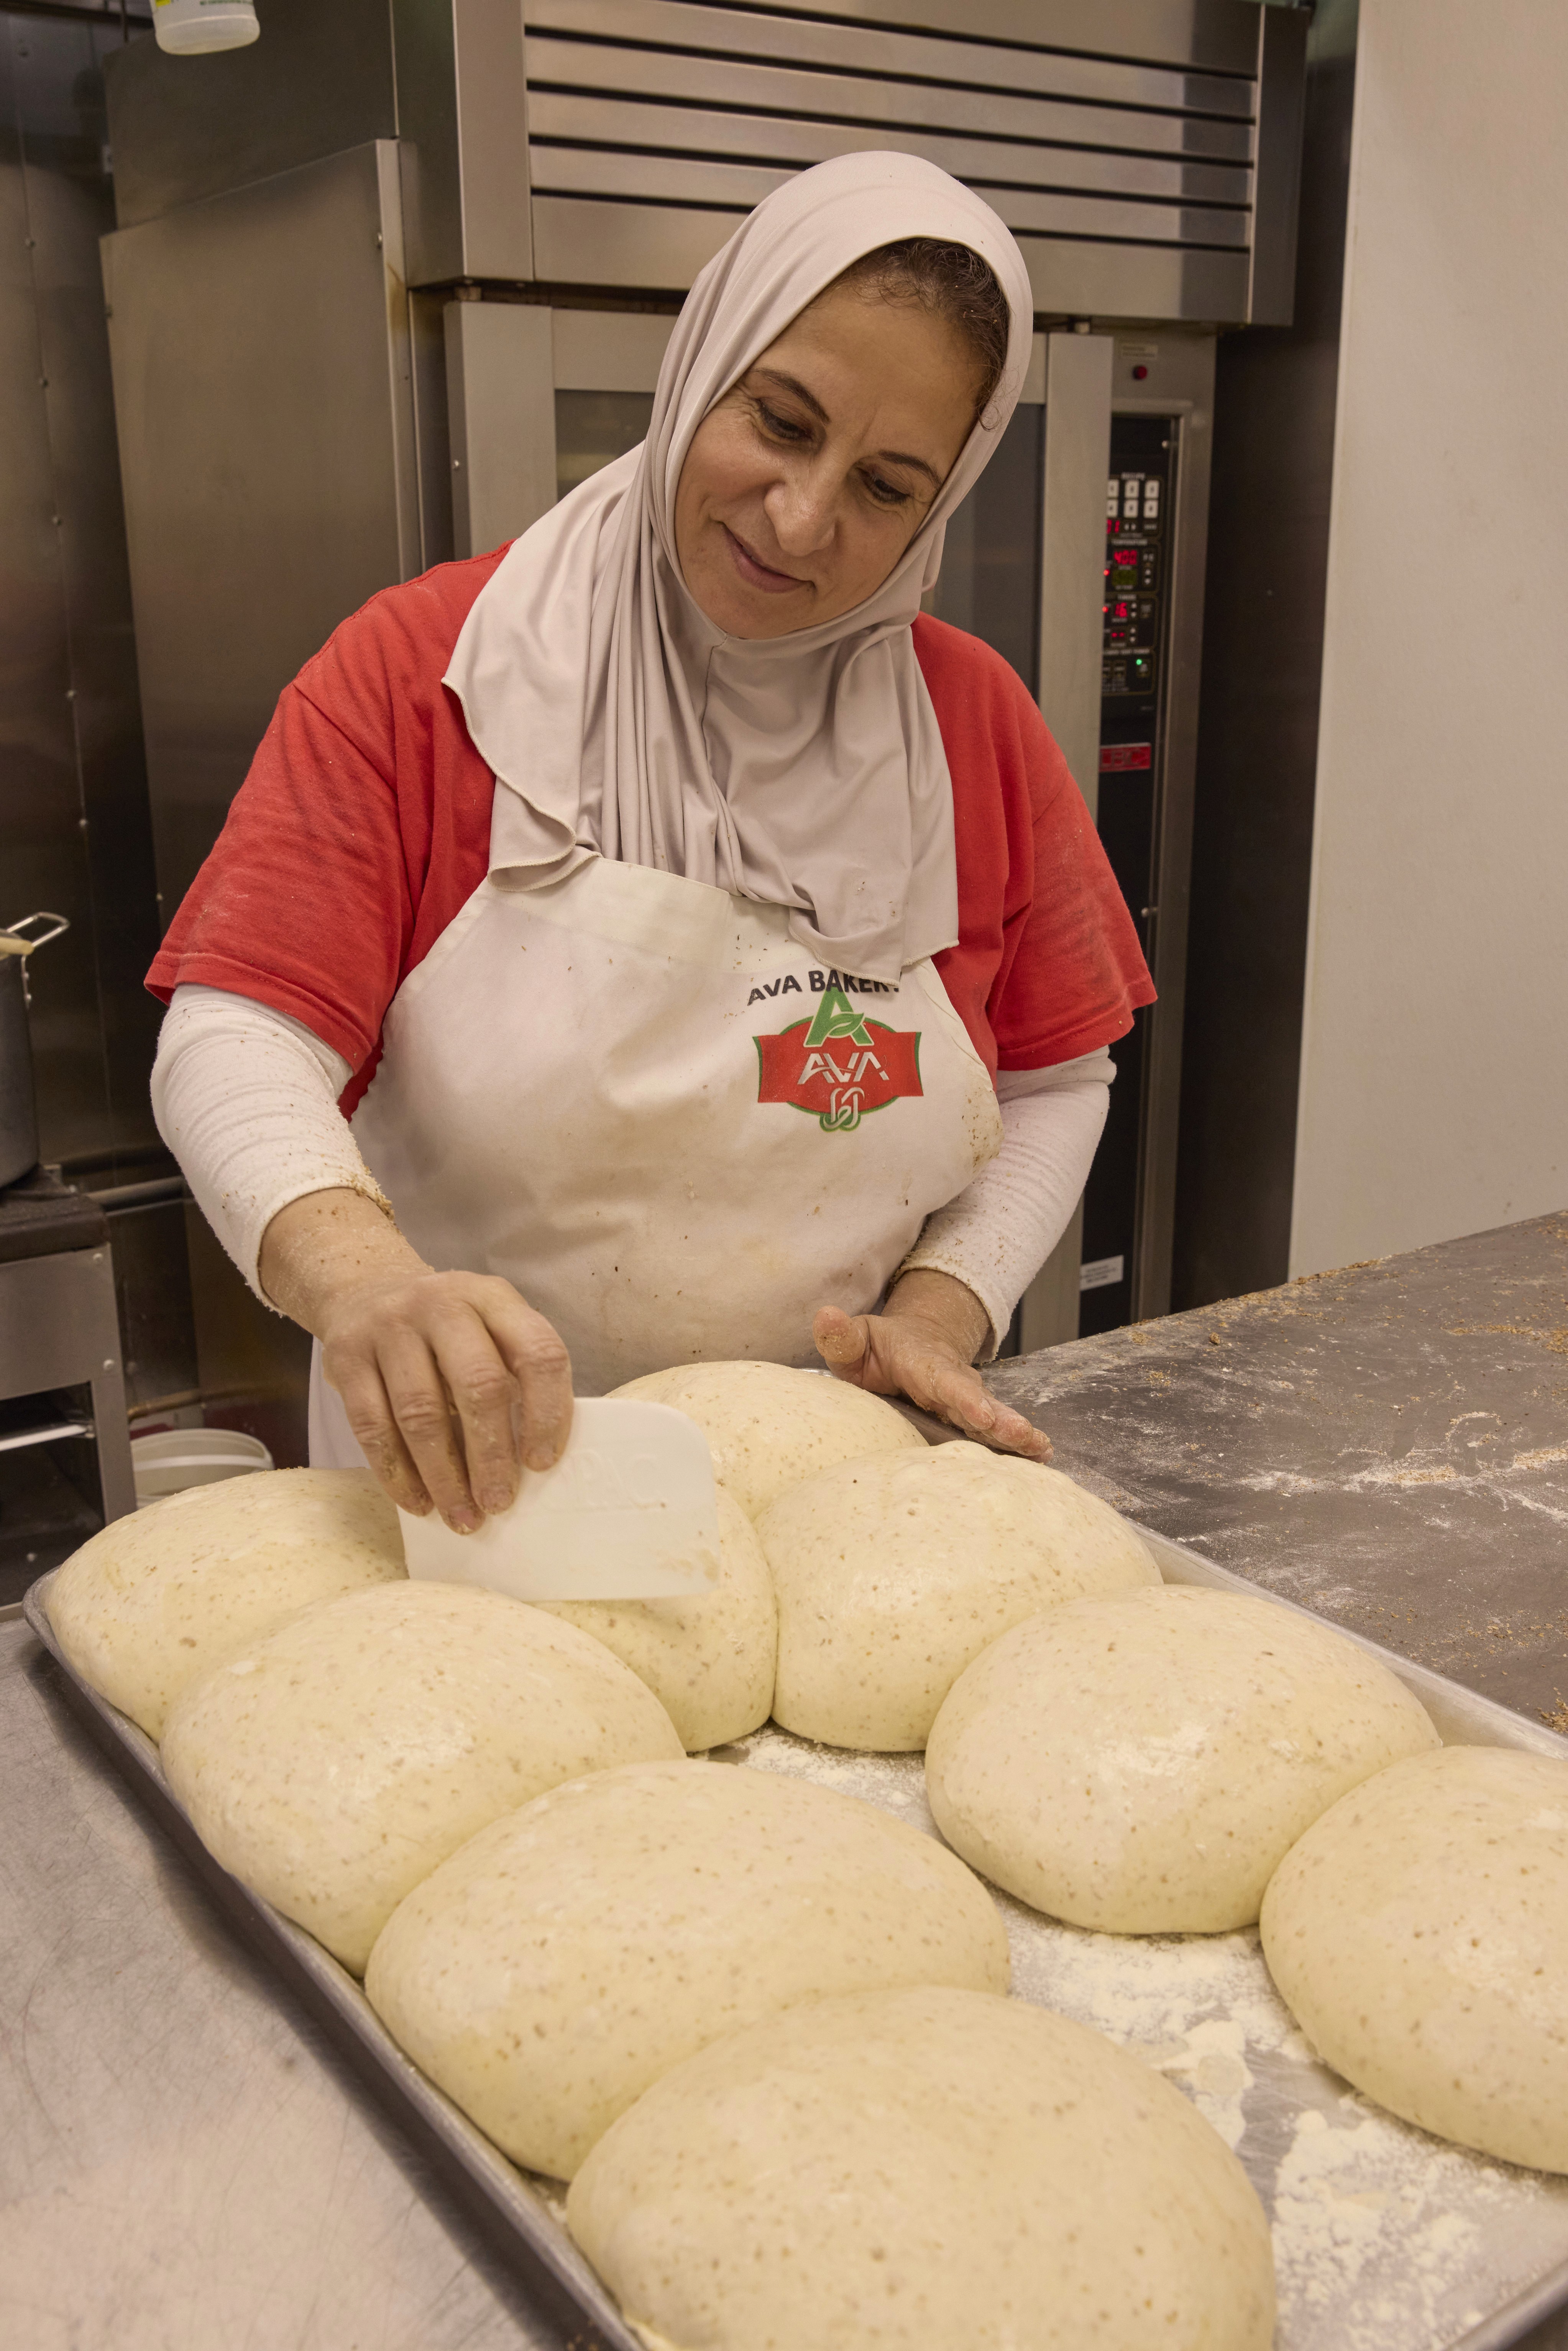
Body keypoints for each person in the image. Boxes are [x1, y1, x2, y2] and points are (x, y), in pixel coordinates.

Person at [148, 153, 1152, 1537]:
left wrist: (942, 1308)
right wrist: (363, 1282)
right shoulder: (427, 674)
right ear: (703, 366)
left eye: (885, 487)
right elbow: (236, 1032)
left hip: (824, 1493)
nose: (800, 519)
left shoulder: (969, 728)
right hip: (458, 1492)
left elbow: (1055, 1079)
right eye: (780, 421)